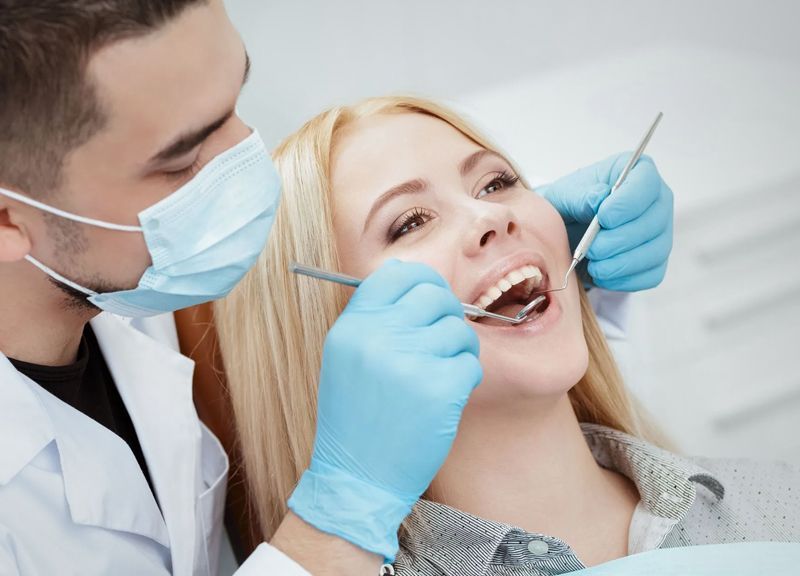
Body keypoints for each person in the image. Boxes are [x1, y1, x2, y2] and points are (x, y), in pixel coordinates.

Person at [0, 2, 675, 575]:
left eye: (238, 102)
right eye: (184, 158)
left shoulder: (133, 289)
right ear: (9, 219)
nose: (246, 163)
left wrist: (550, 276)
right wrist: (341, 513)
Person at [214, 95, 800, 575]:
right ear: (333, 339)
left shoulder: (781, 501)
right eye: (410, 222)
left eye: (495, 183)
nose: (490, 216)